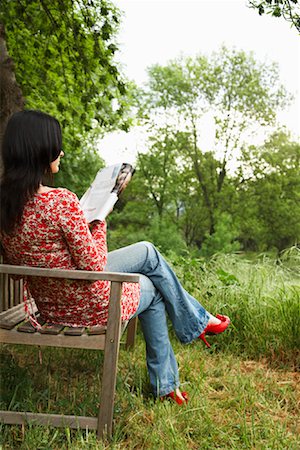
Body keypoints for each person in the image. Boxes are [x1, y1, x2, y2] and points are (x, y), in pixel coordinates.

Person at [0, 110, 230, 404]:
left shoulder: (5, 203)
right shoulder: (60, 201)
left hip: (50, 303)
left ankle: (197, 324)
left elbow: (18, 270)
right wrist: (98, 220)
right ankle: (167, 381)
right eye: (56, 144)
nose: (61, 151)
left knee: (147, 251)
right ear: (39, 150)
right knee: (154, 289)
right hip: (87, 305)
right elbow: (94, 265)